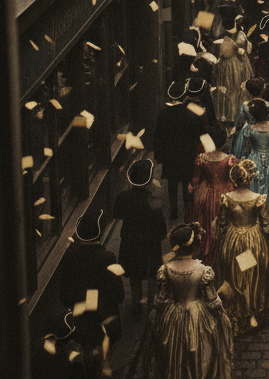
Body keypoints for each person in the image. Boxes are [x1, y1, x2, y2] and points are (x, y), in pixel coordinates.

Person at [134, 222, 233, 379]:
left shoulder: (165, 270)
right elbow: (212, 300)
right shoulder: (203, 271)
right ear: (195, 245)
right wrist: (221, 314)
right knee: (200, 356)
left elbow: (160, 300)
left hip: (173, 317)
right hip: (199, 316)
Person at [213, 159, 269, 336]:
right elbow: (267, 225)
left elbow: (221, 224)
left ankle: (236, 311)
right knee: (251, 274)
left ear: (233, 180)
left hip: (232, 241)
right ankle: (252, 310)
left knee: (234, 274)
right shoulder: (258, 199)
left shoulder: (227, 199)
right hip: (253, 242)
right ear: (250, 179)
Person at [57, 209, 125, 371]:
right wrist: (119, 297)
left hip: (83, 309)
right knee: (107, 343)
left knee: (88, 344)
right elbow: (116, 286)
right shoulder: (107, 257)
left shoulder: (71, 256)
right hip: (105, 309)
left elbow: (64, 289)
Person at [113, 158, 167, 317]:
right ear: (149, 179)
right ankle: (151, 306)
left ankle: (136, 304)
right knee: (151, 275)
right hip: (150, 244)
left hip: (130, 241)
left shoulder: (122, 196)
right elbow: (161, 228)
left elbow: (118, 214)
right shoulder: (154, 200)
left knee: (134, 274)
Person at [153, 81, 208, 219]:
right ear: (184, 96)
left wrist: (159, 156)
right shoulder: (193, 112)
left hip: (170, 155)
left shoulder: (163, 114)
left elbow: (158, 136)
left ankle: (173, 211)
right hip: (188, 153)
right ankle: (187, 210)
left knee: (171, 183)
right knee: (186, 182)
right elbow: (202, 133)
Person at [185, 124, 237, 262]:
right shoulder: (230, 159)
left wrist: (192, 193)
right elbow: (233, 181)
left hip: (206, 196)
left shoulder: (201, 158)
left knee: (206, 225)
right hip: (224, 196)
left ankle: (208, 252)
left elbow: (196, 181)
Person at [240, 98, 269, 232]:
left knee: (255, 189)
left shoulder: (250, 129)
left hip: (254, 159)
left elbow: (246, 149)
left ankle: (256, 222)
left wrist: (243, 162)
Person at [231, 78, 269, 160]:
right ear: (262, 90)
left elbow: (239, 123)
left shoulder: (245, 105)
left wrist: (236, 135)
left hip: (248, 133)